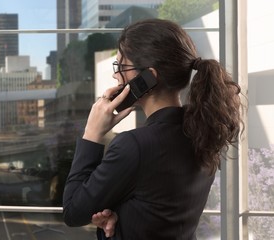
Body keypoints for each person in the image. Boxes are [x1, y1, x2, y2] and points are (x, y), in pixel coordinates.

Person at [63, 18, 243, 240]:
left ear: (148, 77)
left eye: (120, 66)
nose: (115, 75)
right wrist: (120, 215)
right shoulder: (203, 133)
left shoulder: (135, 146)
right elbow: (159, 211)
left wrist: (92, 133)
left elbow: (73, 211)